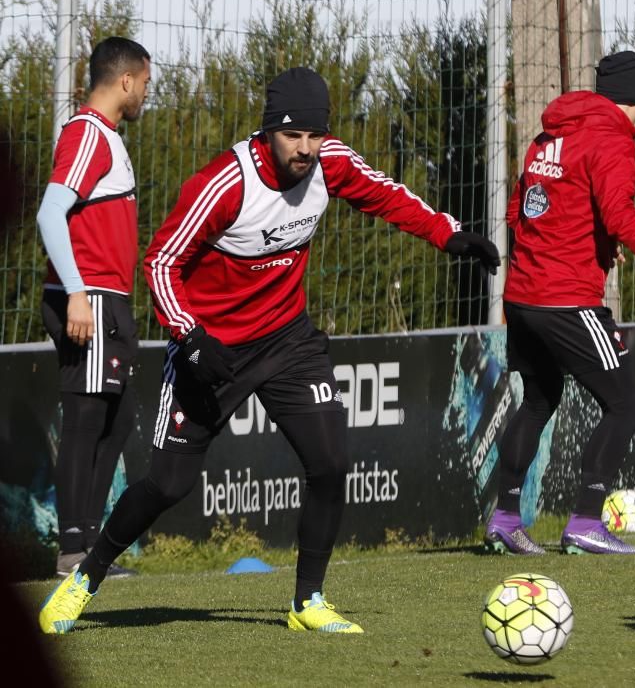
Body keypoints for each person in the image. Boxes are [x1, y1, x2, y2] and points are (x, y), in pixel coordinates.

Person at [39, 66, 501, 634]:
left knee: (330, 463)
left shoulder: (329, 161)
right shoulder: (226, 183)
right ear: (268, 133)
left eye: (314, 135)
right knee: (167, 486)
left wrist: (449, 234)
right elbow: (160, 262)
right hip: (211, 350)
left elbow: (384, 194)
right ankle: (84, 578)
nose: (306, 149)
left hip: (288, 340)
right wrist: (189, 335)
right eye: (293, 137)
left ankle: (307, 602)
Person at [484, 51, 635, 556]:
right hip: (566, 300)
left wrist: (587, 247)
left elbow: (521, 208)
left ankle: (504, 518)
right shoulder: (610, 139)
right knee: (626, 404)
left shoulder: (551, 135)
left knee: (540, 399)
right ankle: (587, 520)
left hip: (524, 295)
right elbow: (621, 216)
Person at [36, 37, 151, 578]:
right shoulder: (88, 133)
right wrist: (78, 293)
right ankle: (74, 550)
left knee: (118, 416)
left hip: (107, 297)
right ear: (126, 80)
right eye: (146, 82)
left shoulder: (106, 137)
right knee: (87, 418)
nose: (147, 93)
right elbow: (50, 212)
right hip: (93, 297)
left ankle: (88, 545)